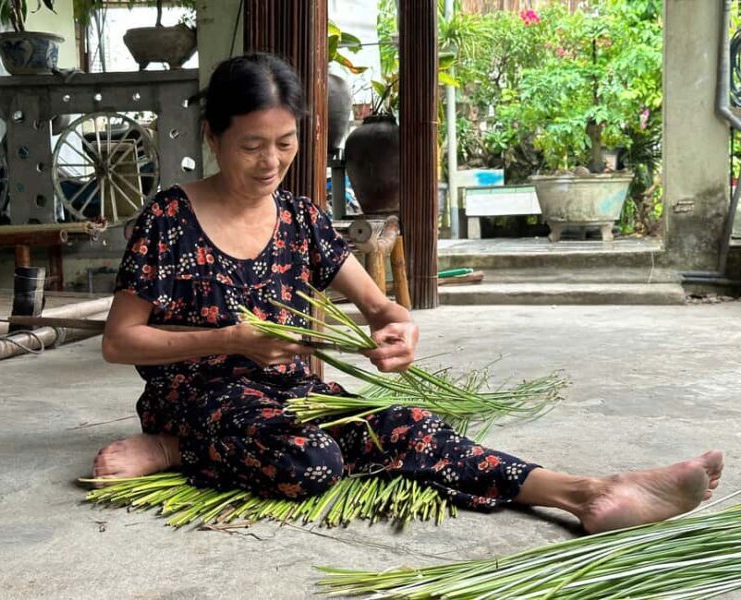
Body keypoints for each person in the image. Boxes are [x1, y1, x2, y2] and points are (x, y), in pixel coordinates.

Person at [93, 53, 723, 535]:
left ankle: (587, 494)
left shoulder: (300, 218)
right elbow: (120, 343)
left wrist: (397, 331)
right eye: (251, 146)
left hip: (293, 399)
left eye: (285, 145)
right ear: (213, 137)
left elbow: (382, 306)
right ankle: (175, 447)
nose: (269, 163)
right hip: (197, 398)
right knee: (310, 464)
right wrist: (233, 339)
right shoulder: (171, 219)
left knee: (413, 426)